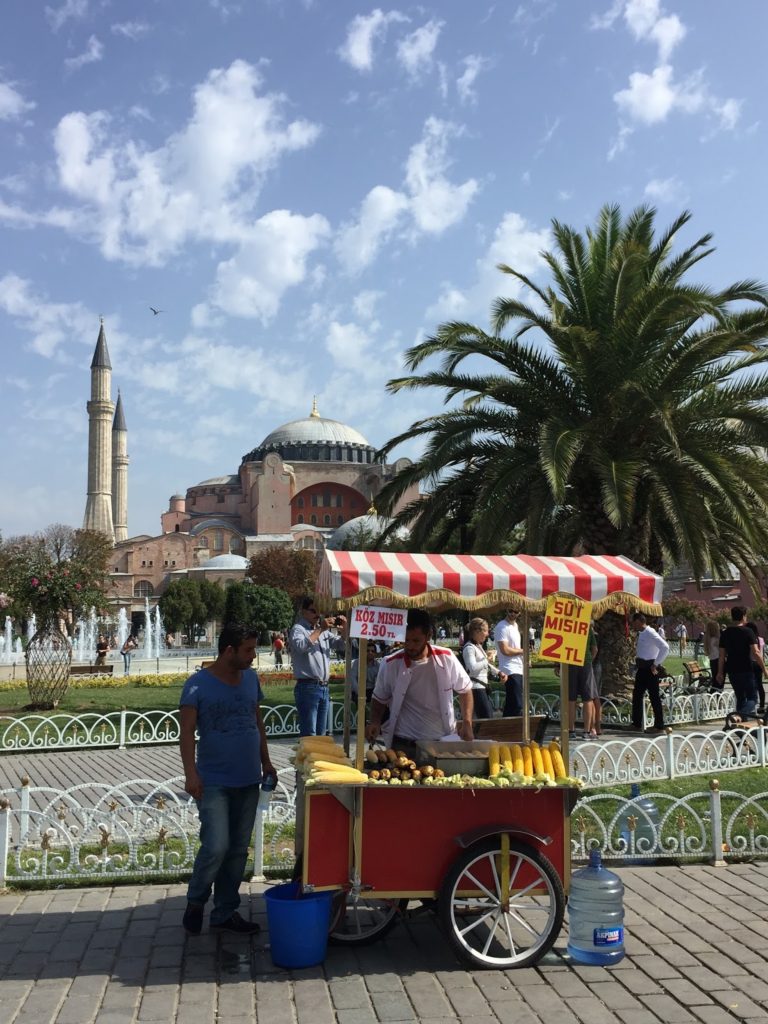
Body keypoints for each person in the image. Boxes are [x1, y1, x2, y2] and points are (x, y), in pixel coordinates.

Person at [179, 623, 274, 936]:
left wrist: (267, 762)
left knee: (237, 850)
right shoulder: (197, 685)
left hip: (248, 779)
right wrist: (191, 774)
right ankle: (196, 900)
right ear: (229, 650)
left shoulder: (250, 679)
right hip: (215, 781)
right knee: (216, 845)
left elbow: (257, 722)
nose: (253, 657)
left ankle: (225, 911)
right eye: (248, 650)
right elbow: (186, 735)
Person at [365, 609, 474, 758]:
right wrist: (375, 722)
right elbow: (379, 698)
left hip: (440, 742)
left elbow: (465, 689)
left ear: (428, 636)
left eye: (416, 641)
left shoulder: (447, 658)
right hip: (402, 743)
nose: (410, 646)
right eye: (406, 640)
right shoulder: (390, 663)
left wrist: (467, 722)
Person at [289, 598, 347, 737]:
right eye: (313, 611)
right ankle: (307, 759)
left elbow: (342, 645)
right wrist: (321, 629)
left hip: (324, 687)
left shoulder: (323, 631)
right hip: (308, 687)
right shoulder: (298, 629)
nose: (317, 615)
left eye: (320, 612)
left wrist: (345, 628)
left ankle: (316, 760)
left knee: (321, 734)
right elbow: (301, 646)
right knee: (310, 734)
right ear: (304, 611)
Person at [717, 607, 766, 716]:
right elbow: (756, 653)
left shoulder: (725, 633)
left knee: (740, 697)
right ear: (743, 616)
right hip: (746, 668)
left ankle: (741, 728)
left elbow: (721, 655)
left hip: (732, 669)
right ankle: (740, 715)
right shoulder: (748, 632)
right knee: (753, 698)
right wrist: (764, 669)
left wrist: (720, 672)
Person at [630, 613, 669, 733]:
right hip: (641, 668)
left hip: (649, 668)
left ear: (639, 621)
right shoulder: (641, 633)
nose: (632, 625)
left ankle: (659, 725)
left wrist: (656, 663)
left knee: (654, 697)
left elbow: (665, 647)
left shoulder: (650, 632)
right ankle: (636, 723)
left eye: (633, 622)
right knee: (637, 695)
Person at [462, 617, 507, 720]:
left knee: (486, 718)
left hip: (482, 688)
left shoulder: (477, 646)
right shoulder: (469, 648)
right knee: (487, 719)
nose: (487, 634)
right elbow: (473, 668)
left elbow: (486, 664)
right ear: (477, 631)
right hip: (476, 688)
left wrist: (499, 672)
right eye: (486, 631)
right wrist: (487, 659)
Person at [565, 626, 600, 739]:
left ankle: (571, 730)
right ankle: (586, 731)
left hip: (570, 661)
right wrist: (589, 660)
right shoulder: (587, 627)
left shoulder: (567, 626)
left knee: (571, 698)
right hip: (585, 663)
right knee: (588, 698)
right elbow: (594, 649)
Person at [494, 609, 524, 717]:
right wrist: (523, 651)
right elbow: (505, 650)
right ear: (506, 610)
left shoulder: (515, 626)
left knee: (512, 704)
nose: (513, 614)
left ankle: (506, 729)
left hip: (518, 667)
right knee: (517, 705)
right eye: (510, 611)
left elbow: (515, 647)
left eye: (516, 612)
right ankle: (515, 730)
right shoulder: (502, 626)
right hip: (509, 669)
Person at [746, 621, 766, 713]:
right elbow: (762, 652)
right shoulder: (761, 639)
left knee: (751, 685)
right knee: (760, 685)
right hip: (759, 663)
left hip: (750, 663)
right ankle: (762, 706)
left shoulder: (748, 638)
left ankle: (752, 705)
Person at [704, 620, 722, 688]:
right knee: (719, 680)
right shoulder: (716, 639)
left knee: (715, 678)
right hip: (718, 660)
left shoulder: (707, 639)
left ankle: (713, 693)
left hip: (712, 660)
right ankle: (718, 694)